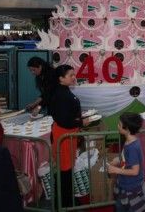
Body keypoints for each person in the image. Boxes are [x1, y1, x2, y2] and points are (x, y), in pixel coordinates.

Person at [49, 65, 91, 207]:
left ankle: (67, 199)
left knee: (67, 169)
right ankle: (64, 203)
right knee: (64, 170)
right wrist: (81, 121)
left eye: (74, 74)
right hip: (64, 135)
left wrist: (79, 117)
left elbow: (67, 115)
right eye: (71, 75)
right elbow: (63, 119)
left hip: (68, 134)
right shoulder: (60, 94)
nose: (74, 77)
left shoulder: (64, 91)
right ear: (61, 78)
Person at [107, 112, 145, 212]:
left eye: (120, 125)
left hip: (130, 187)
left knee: (123, 207)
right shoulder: (129, 140)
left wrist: (115, 170)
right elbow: (127, 157)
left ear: (127, 129)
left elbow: (135, 171)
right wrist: (119, 159)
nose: (118, 126)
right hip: (124, 183)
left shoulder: (133, 147)